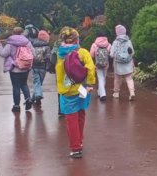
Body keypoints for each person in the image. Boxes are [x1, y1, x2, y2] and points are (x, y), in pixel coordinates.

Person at [55, 27, 96, 158]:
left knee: (71, 119)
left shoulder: (58, 53)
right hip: (82, 88)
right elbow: (90, 68)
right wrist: (90, 83)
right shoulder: (82, 52)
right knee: (81, 113)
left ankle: (75, 148)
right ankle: (80, 140)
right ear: (77, 39)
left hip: (67, 91)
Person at [0, 27, 35, 113]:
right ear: (22, 33)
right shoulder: (27, 42)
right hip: (25, 67)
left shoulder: (10, 43)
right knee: (24, 84)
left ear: (13, 33)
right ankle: (28, 99)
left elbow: (3, 54)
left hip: (15, 68)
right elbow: (33, 53)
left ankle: (16, 106)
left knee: (16, 86)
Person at [110, 25, 136, 101]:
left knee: (117, 79)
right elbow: (132, 52)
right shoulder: (129, 41)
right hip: (128, 63)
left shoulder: (115, 42)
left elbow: (111, 54)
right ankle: (132, 92)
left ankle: (116, 93)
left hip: (118, 64)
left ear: (117, 33)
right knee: (129, 79)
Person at [30, 30, 52, 107]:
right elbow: (48, 57)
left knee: (37, 82)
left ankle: (33, 98)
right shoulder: (47, 47)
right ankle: (38, 96)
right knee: (39, 83)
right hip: (43, 67)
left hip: (34, 66)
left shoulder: (33, 45)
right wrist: (48, 66)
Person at [89, 29, 112, 102]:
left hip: (98, 65)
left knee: (100, 78)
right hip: (106, 64)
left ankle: (102, 94)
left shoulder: (94, 45)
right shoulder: (109, 45)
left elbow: (91, 55)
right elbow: (111, 54)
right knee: (103, 78)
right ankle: (100, 92)